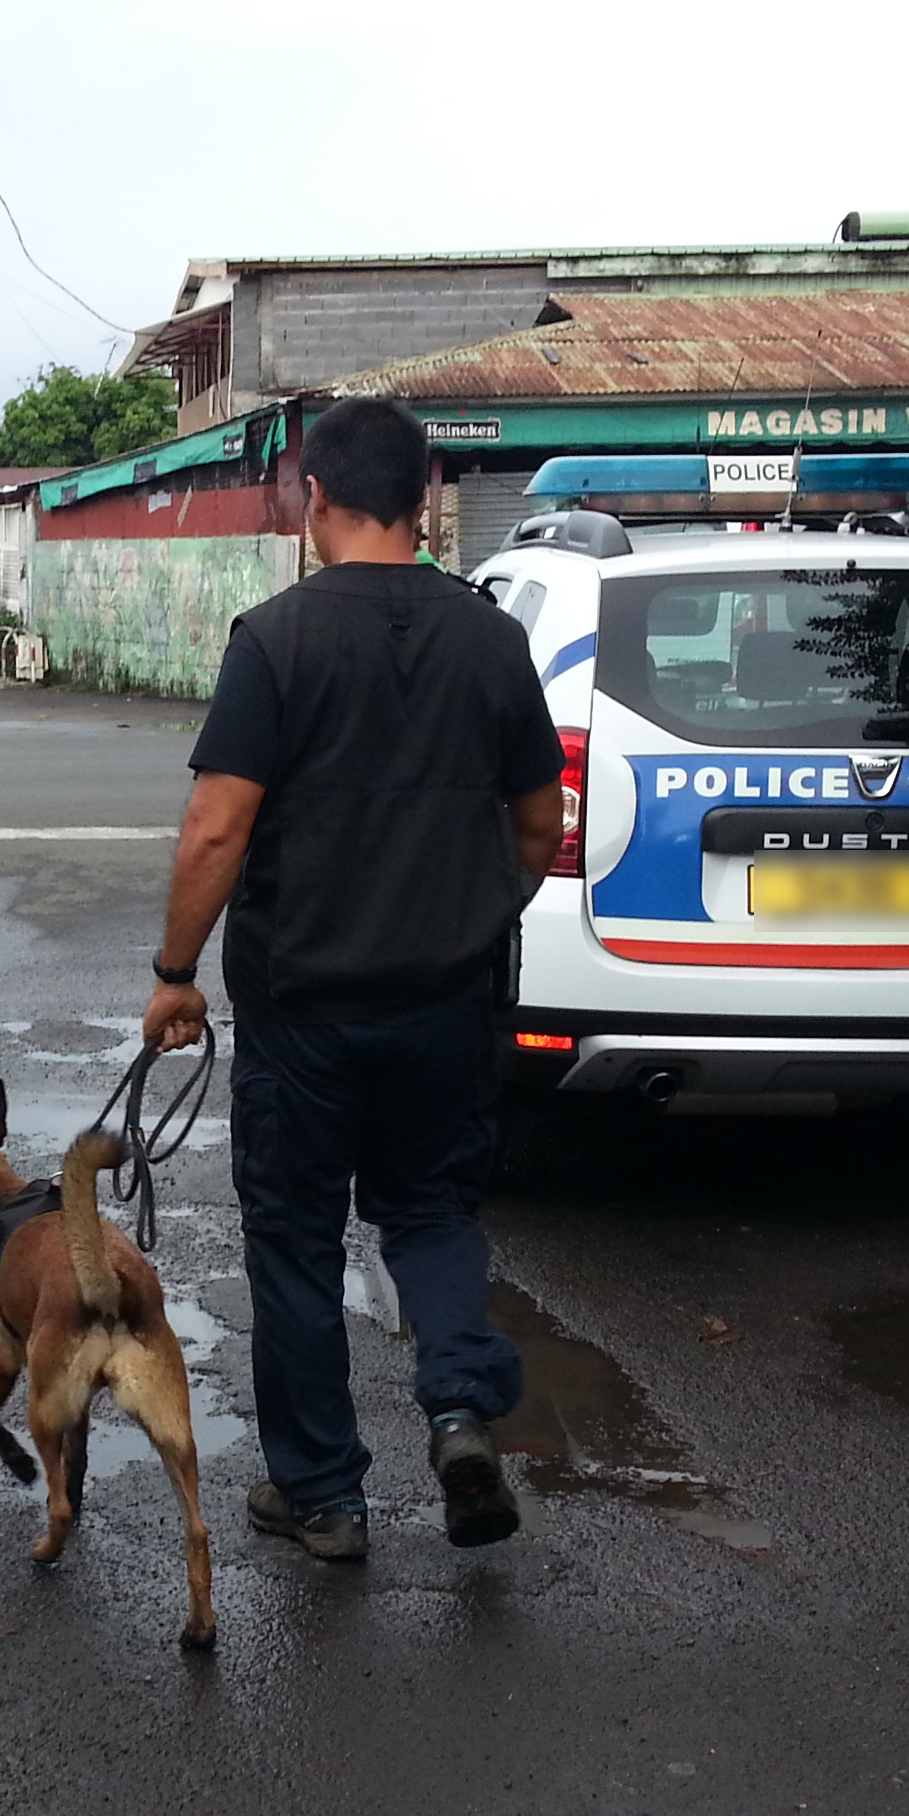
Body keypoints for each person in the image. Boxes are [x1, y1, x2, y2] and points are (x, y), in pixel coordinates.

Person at [139, 398, 566, 1560]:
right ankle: (461, 1412)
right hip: (442, 1005)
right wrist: (476, 911)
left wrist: (177, 972)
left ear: (313, 497)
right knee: (430, 1214)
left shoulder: (273, 638)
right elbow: (540, 823)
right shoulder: (492, 641)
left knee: (293, 1242)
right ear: (426, 495)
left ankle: (323, 1496)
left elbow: (215, 829)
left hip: (303, 1010)